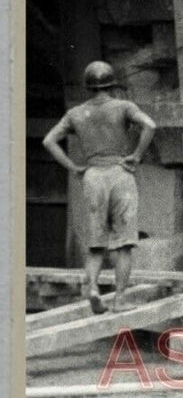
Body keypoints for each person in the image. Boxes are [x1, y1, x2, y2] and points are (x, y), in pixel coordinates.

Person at [42, 61, 157, 314]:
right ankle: (119, 300)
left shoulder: (75, 113)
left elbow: (49, 141)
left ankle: (93, 288)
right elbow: (150, 125)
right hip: (120, 174)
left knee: (96, 244)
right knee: (124, 244)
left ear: (88, 87)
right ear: (112, 84)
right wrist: (136, 155)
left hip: (93, 176)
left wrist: (74, 167)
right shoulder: (124, 106)